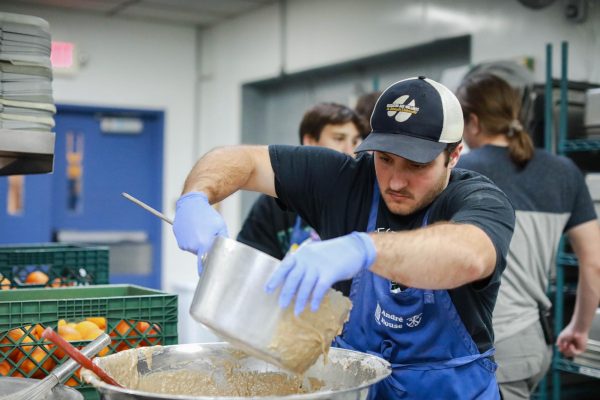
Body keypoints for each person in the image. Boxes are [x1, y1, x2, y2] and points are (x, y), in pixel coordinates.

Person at [173, 76, 515, 399]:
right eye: (385, 159)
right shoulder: (343, 181)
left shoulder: (479, 199)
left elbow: (472, 254)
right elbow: (239, 159)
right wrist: (197, 195)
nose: (395, 181)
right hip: (356, 388)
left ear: (453, 155)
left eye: (415, 165)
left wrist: (362, 248)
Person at [456, 73, 600, 399]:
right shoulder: (564, 172)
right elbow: (595, 264)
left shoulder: (462, 173)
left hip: (493, 347)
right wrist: (579, 328)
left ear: (473, 122)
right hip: (534, 341)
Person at [237, 102, 367, 261]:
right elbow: (249, 265)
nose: (350, 150)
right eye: (339, 139)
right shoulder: (273, 204)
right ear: (310, 141)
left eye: (355, 142)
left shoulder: (364, 200)